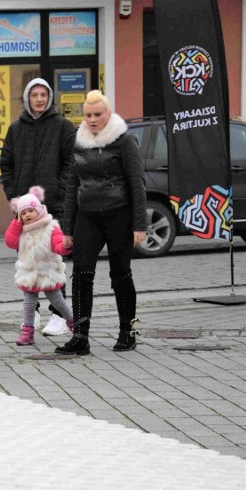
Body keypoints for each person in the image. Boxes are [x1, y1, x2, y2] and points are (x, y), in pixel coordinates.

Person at [57, 90, 147, 356]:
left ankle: (127, 332)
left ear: (108, 114)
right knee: (82, 274)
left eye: (98, 114)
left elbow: (137, 184)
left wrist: (139, 225)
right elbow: (72, 185)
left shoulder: (124, 140)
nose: (93, 120)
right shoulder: (79, 141)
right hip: (88, 216)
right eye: (88, 115)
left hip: (119, 214)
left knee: (121, 274)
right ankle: (81, 337)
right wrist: (68, 229)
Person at [0, 78, 77, 337]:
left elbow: (71, 162)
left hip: (53, 206)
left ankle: (59, 314)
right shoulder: (15, 129)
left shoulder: (63, 127)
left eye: (44, 94)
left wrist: (62, 189)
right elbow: (6, 164)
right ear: (27, 98)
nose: (40, 99)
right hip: (24, 209)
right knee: (27, 259)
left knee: (53, 258)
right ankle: (33, 311)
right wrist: (13, 196)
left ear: (50, 97)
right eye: (35, 95)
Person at [4, 186, 74, 346]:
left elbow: (57, 244)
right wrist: (16, 223)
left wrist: (65, 246)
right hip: (29, 273)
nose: (27, 215)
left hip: (47, 271)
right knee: (29, 303)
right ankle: (27, 332)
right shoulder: (21, 230)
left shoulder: (50, 226)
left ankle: (73, 323)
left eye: (30, 211)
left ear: (39, 210)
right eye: (23, 213)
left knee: (58, 301)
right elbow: (10, 242)